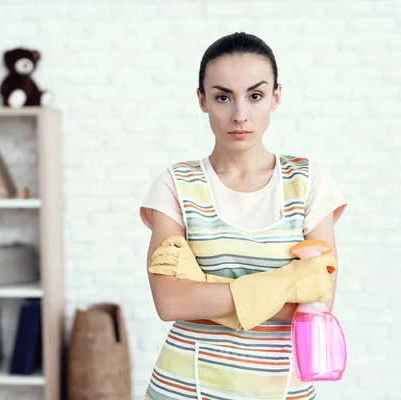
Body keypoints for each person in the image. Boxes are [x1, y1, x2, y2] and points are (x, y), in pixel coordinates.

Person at [139, 32, 348, 400]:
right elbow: (170, 302)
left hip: (285, 390)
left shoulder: (309, 181)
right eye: (222, 97)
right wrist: (289, 281)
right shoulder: (176, 184)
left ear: (275, 97)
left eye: (255, 96)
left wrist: (203, 291)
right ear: (202, 100)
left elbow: (318, 302)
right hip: (184, 389)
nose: (239, 115)